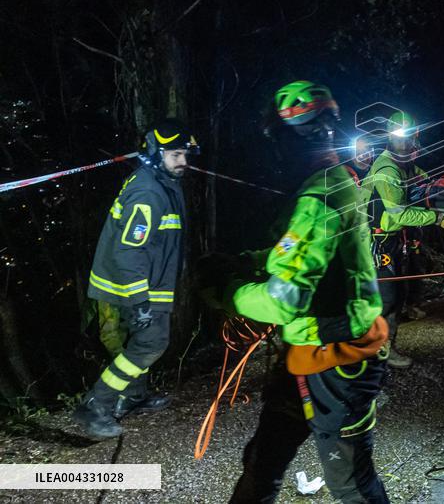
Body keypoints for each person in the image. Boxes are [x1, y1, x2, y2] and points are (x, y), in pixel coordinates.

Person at [205, 80, 390, 503]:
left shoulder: (319, 197)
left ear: (292, 139)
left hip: (337, 362)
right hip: (308, 352)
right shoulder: (333, 182)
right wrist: (247, 262)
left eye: (276, 139)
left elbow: (285, 300)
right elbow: (302, 252)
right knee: (263, 460)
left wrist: (228, 292)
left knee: (351, 482)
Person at [73, 119, 198, 440]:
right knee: (151, 342)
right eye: (175, 155)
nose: (183, 161)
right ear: (156, 154)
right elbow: (128, 252)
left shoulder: (162, 182)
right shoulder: (147, 192)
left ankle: (133, 395)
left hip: (150, 280)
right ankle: (96, 404)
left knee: (144, 341)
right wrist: (140, 301)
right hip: (134, 284)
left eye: (185, 154)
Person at [368, 110, 444, 368]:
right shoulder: (387, 169)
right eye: (399, 137)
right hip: (376, 241)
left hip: (392, 239)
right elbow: (399, 213)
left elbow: (426, 182)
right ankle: (377, 349)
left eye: (409, 137)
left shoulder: (405, 165)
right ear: (389, 137)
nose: (404, 142)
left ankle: (380, 346)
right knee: (387, 298)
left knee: (397, 294)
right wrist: (436, 217)